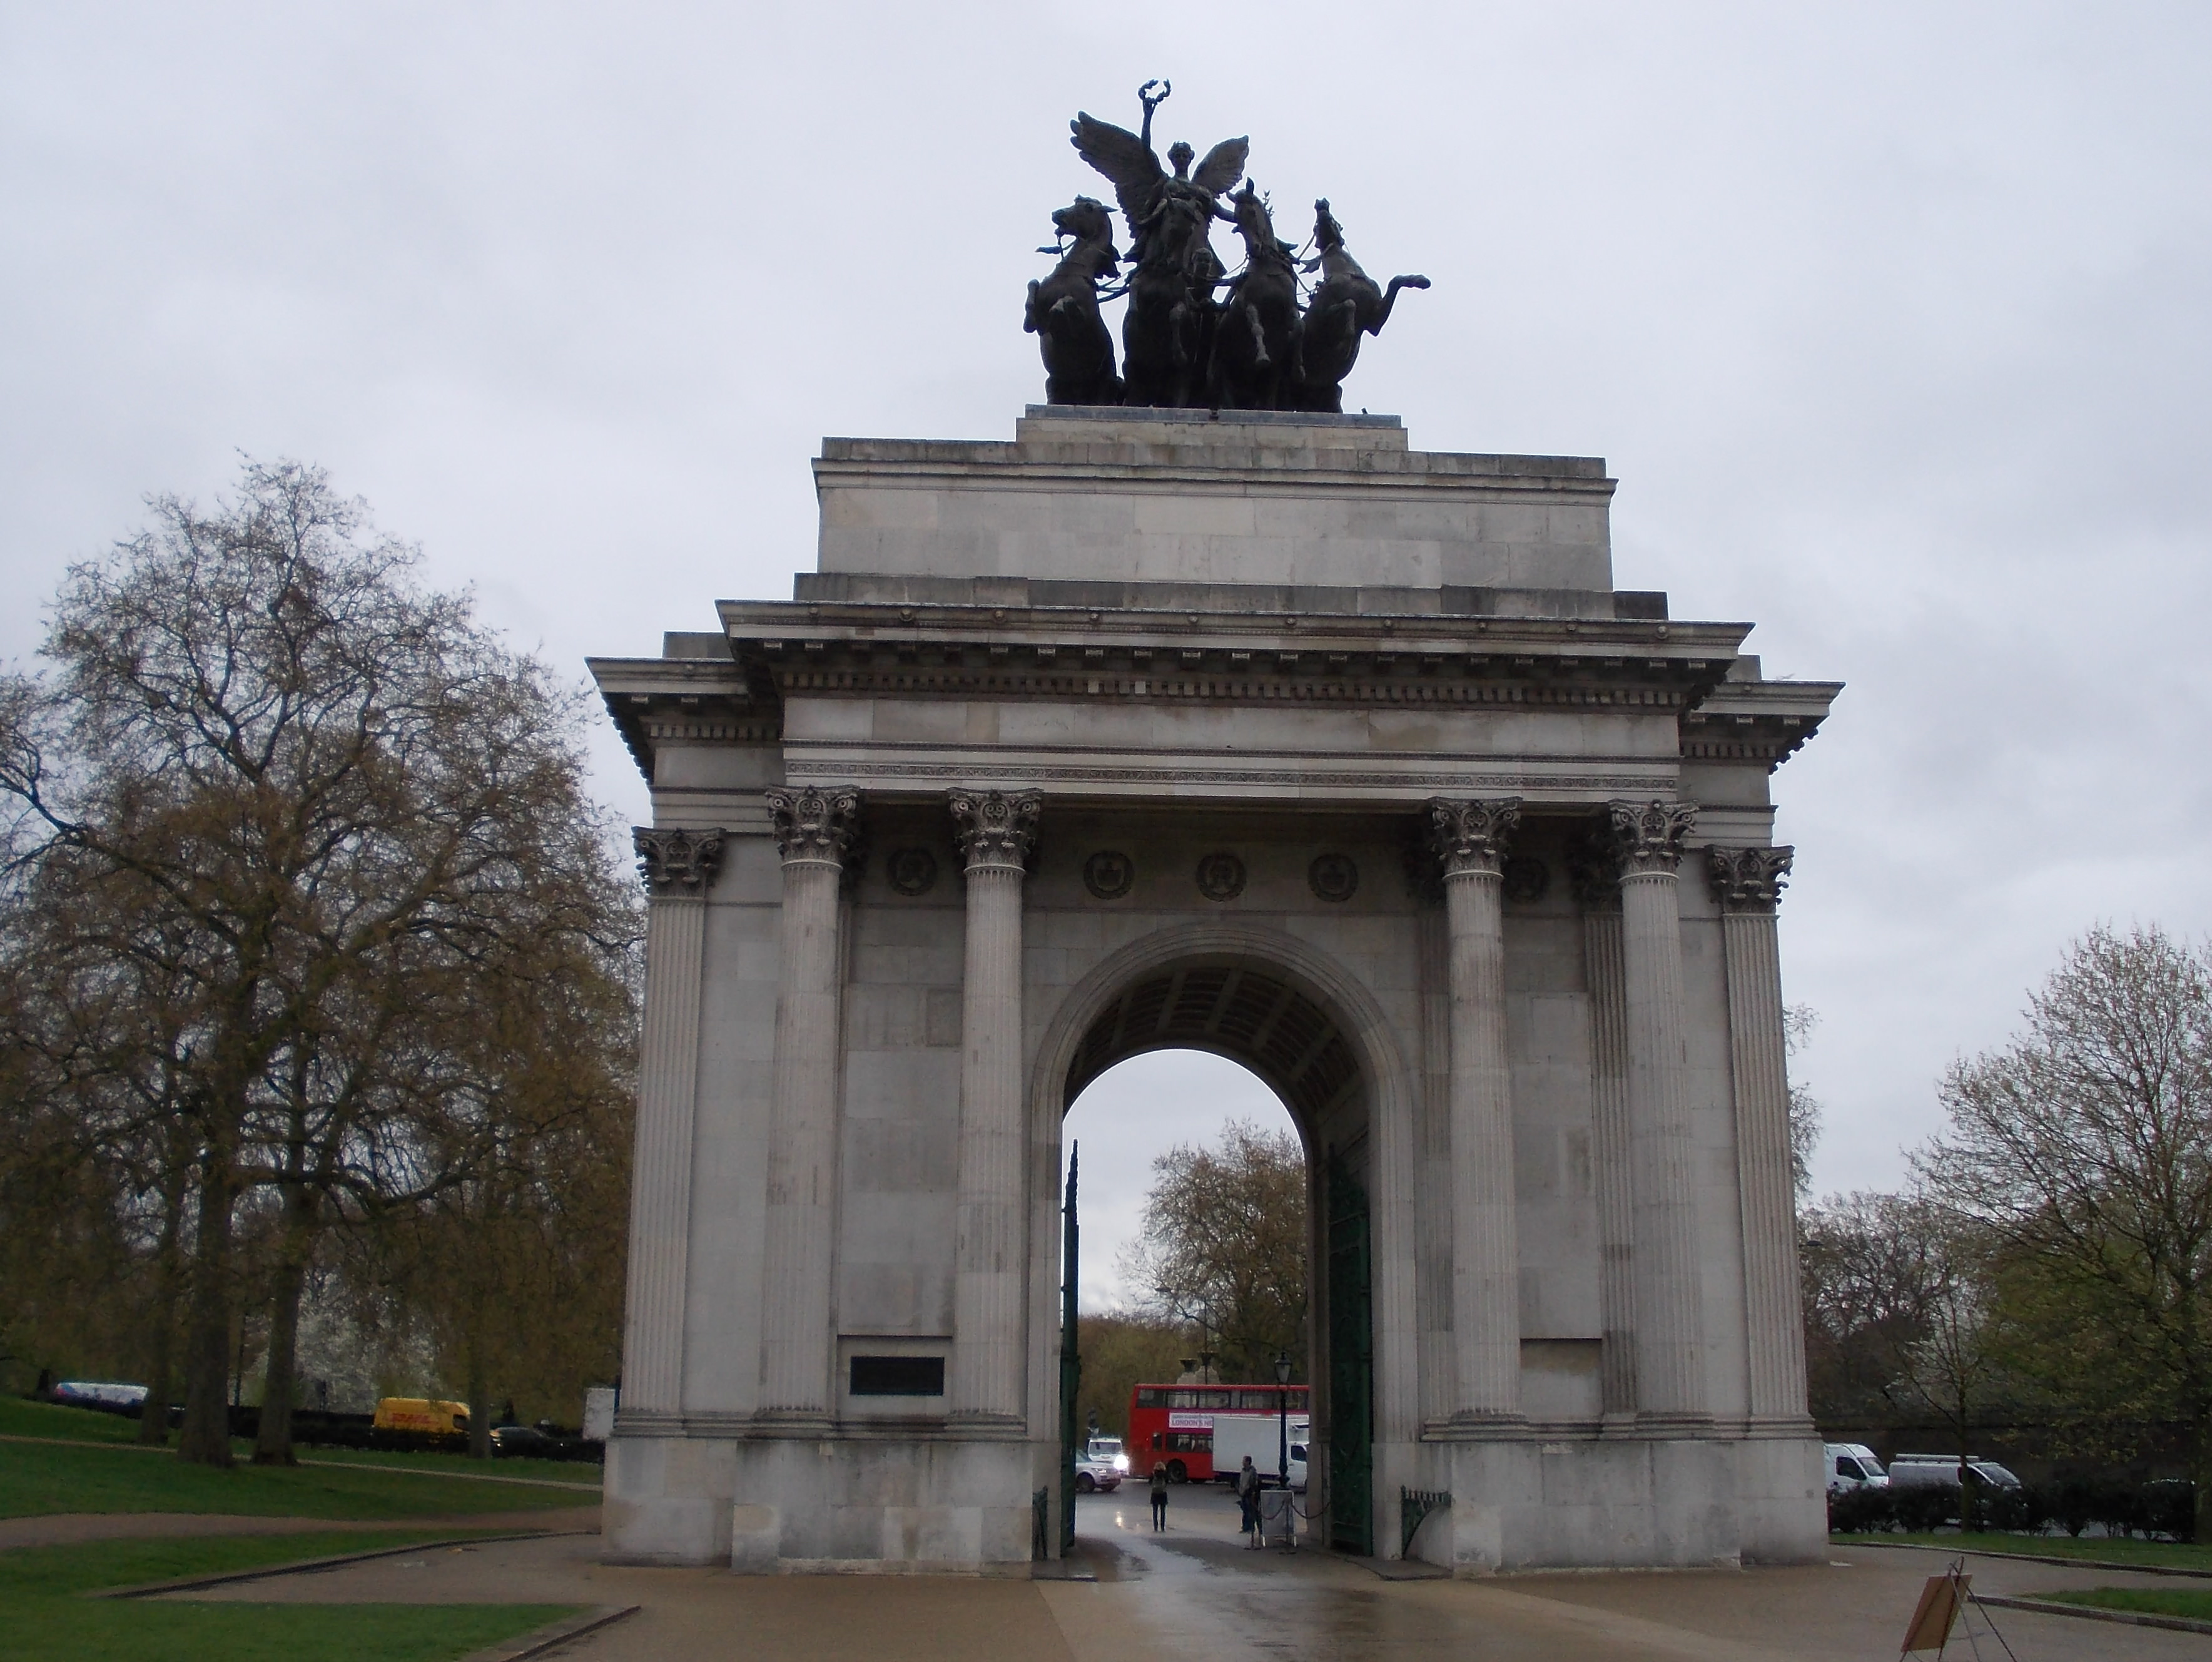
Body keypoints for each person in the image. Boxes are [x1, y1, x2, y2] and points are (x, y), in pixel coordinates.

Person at [1237, 1454, 1262, 1547]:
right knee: (1245, 1511)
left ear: (1248, 1462)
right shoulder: (1243, 1471)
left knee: (1251, 1511)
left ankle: (1251, 1528)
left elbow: (1252, 1483)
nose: (1243, 1463)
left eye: (1244, 1461)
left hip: (1249, 1494)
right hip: (1243, 1493)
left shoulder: (1252, 1472)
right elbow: (1241, 1482)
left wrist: (1250, 1491)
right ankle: (1245, 1527)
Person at [1149, 1462, 1169, 1531]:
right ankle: (1163, 1528)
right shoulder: (1165, 1474)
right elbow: (1167, 1482)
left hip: (1155, 1494)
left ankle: (1155, 1527)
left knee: (1155, 1512)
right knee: (1163, 1512)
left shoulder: (1153, 1474)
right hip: (1163, 1494)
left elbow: (1150, 1482)